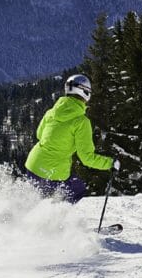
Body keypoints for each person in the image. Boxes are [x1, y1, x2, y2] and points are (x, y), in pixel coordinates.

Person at [22, 74, 117, 203]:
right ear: (85, 93)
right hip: (53, 173)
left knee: (32, 200)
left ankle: (6, 220)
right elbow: (87, 158)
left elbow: (39, 134)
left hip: (33, 165)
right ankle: (52, 222)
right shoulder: (81, 122)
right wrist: (110, 164)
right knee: (77, 190)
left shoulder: (51, 112)